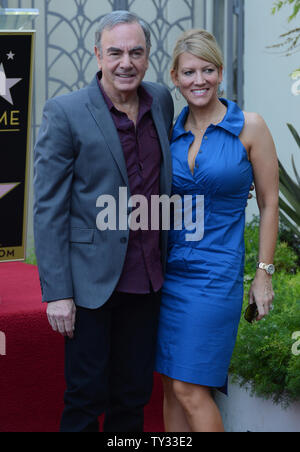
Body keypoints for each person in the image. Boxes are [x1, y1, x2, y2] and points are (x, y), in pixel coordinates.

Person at [33, 11, 174, 432]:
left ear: (148, 57)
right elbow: (49, 207)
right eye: (115, 52)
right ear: (97, 54)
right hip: (90, 283)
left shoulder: (161, 101)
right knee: (84, 397)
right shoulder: (65, 112)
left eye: (135, 52)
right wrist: (58, 292)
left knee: (133, 397)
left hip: (147, 279)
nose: (125, 62)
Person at [155, 29, 279, 432]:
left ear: (220, 72)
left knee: (191, 390)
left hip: (214, 276)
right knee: (172, 388)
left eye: (208, 70)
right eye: (189, 72)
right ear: (175, 77)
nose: (199, 80)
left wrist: (263, 273)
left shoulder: (251, 127)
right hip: (168, 274)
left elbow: (269, 202)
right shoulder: (167, 133)